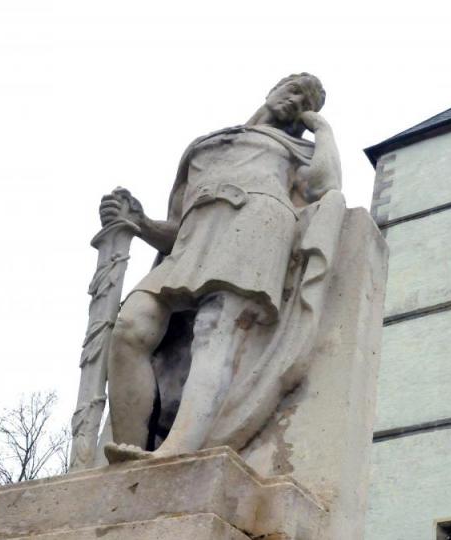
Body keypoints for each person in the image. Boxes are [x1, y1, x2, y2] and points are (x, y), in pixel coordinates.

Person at [98, 73, 340, 463]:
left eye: (307, 103)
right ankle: (126, 451)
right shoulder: (203, 147)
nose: (297, 102)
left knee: (217, 329)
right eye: (294, 91)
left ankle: (178, 449)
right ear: (274, 88)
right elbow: (175, 228)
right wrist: (139, 223)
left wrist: (322, 128)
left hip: (258, 221)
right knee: (130, 328)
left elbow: (323, 187)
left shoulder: (299, 147)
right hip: (194, 236)